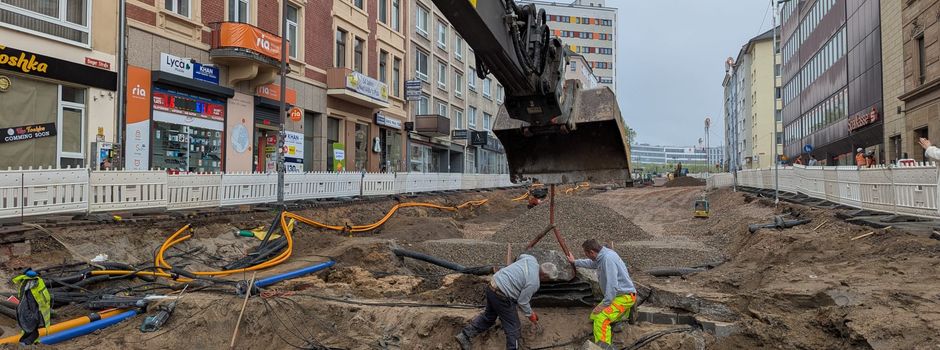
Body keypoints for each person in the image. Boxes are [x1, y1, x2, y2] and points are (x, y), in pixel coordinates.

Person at [455, 254, 555, 350]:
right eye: (548, 279)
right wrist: (531, 315)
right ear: (544, 276)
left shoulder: (531, 259)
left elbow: (521, 255)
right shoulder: (534, 282)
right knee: (514, 327)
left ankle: (464, 335)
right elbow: (522, 302)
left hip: (492, 285)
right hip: (502, 296)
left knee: (489, 317)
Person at [566, 240, 637, 349]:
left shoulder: (608, 259)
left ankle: (603, 347)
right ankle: (621, 318)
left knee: (601, 319)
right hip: (618, 296)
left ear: (591, 252)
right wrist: (575, 262)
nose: (587, 257)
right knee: (594, 315)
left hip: (624, 297)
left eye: (587, 254)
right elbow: (592, 263)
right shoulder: (603, 255)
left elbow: (612, 285)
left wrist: (604, 304)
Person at [13, 268, 51, 345]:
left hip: (33, 313)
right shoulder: (37, 284)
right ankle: (29, 343)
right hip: (34, 313)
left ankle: (27, 343)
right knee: (31, 331)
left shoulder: (27, 286)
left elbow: (32, 303)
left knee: (32, 330)